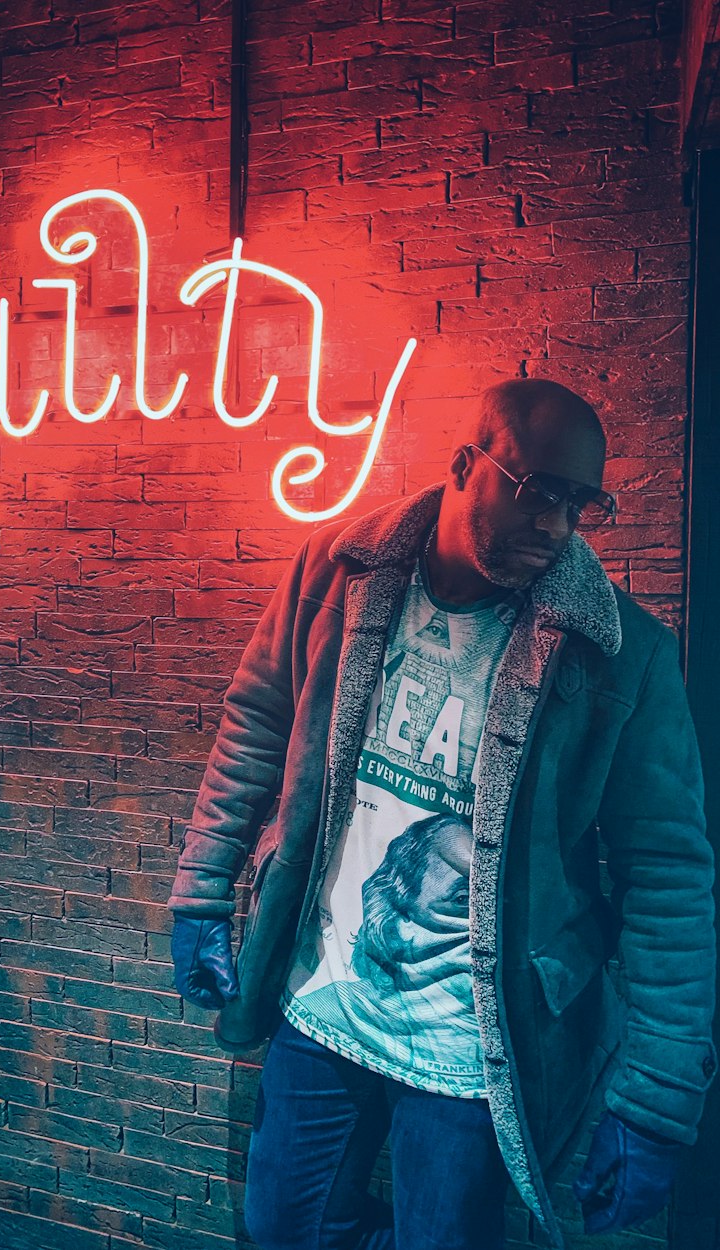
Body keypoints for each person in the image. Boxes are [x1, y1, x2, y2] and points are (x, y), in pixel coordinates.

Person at [167, 379, 717, 1250]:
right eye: (538, 492)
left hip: (477, 1060)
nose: (557, 527)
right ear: (466, 465)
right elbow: (256, 722)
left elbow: (670, 878)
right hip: (322, 1002)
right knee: (281, 1230)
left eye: (582, 505)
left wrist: (656, 1097)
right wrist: (203, 886)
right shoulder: (336, 572)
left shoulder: (621, 656)